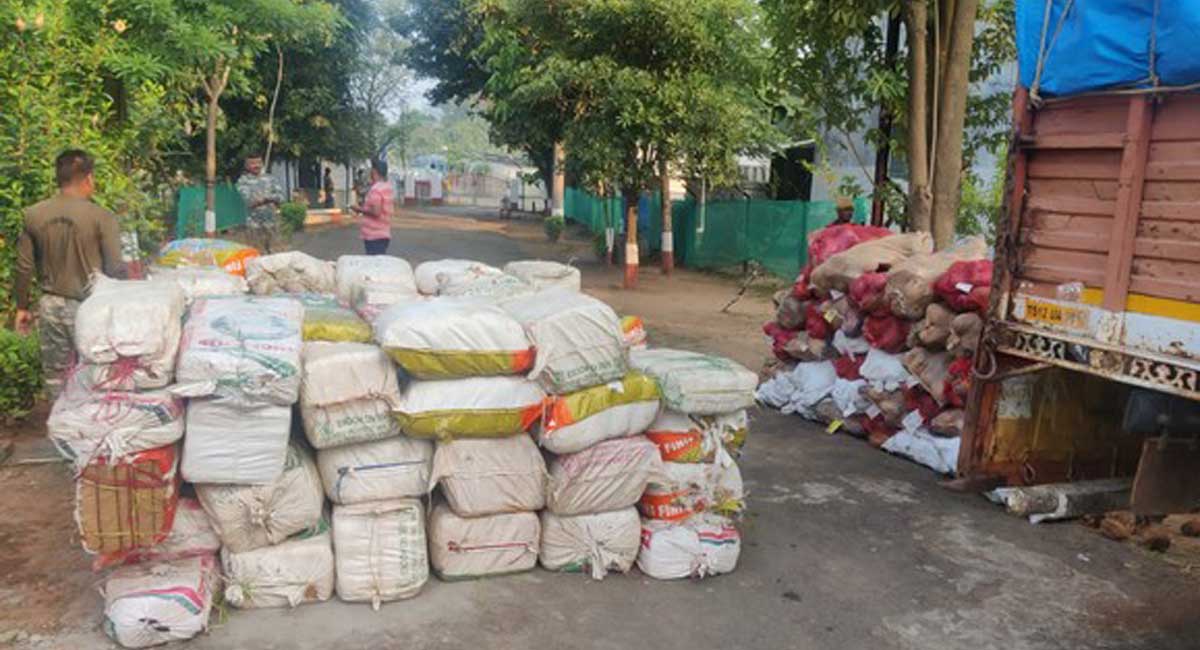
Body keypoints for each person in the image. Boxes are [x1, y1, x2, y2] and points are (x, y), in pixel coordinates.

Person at [12, 149, 128, 399]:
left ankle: (61, 426)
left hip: (50, 306)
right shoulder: (102, 217)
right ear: (88, 179)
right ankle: (88, 429)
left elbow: (23, 266)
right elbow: (116, 267)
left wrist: (21, 306)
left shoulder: (33, 214)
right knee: (94, 372)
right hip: (91, 308)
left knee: (56, 376)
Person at [236, 156, 284, 254]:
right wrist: (269, 198)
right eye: (252, 163)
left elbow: (281, 197)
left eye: (259, 162)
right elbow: (249, 200)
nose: (256, 165)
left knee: (276, 253)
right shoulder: (243, 181)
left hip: (272, 222)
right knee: (257, 254)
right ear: (247, 166)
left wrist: (265, 198)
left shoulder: (271, 179)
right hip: (254, 224)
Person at [350, 158, 394, 255]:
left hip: (373, 235)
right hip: (384, 233)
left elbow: (376, 212)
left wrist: (359, 209)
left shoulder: (375, 190)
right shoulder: (387, 187)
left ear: (374, 171)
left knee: (373, 266)